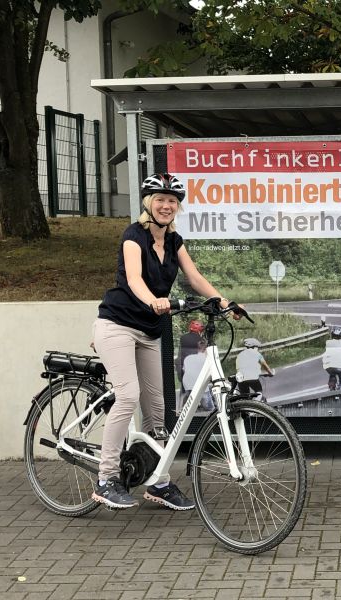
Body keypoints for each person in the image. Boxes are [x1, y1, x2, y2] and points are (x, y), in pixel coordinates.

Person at [91, 172, 240, 511]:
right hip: (118, 325)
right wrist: (153, 300)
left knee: (158, 411)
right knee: (128, 395)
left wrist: (224, 301)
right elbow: (133, 279)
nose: (166, 205)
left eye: (172, 201)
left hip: (149, 331)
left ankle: (157, 481)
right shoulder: (134, 236)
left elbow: (194, 276)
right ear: (149, 203)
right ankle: (106, 477)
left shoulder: (173, 241)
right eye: (160, 199)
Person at [181, 340, 214, 412]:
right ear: (206, 350)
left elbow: (184, 371)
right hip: (201, 388)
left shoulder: (188, 358)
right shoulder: (207, 360)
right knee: (210, 409)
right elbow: (212, 375)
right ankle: (200, 404)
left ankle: (191, 404)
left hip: (188, 386)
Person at [176, 320, 204, 388]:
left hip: (183, 373)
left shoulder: (183, 338)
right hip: (197, 375)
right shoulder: (202, 341)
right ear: (200, 330)